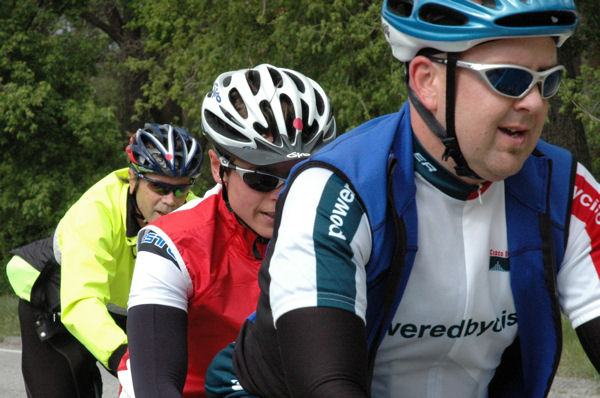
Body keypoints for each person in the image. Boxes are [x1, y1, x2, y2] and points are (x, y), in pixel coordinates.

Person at [205, 1, 600, 397]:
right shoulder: (336, 189)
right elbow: (326, 386)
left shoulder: (563, 188)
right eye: (509, 79)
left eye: (546, 81)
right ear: (427, 81)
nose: (534, 102)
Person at [117, 64, 336, 398]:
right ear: (219, 168)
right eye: (261, 178)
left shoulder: (340, 228)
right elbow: (156, 386)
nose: (283, 194)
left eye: (300, 174)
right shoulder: (173, 243)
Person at [5, 123, 203, 398]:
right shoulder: (95, 212)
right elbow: (82, 302)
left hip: (124, 305)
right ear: (133, 180)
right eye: (158, 187)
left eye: (180, 190)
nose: (170, 201)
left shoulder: (195, 210)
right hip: (58, 300)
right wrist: (126, 358)